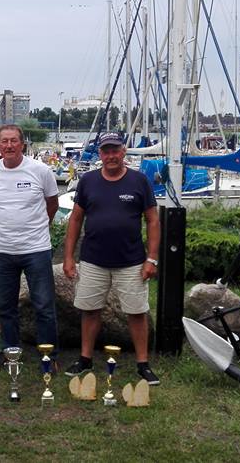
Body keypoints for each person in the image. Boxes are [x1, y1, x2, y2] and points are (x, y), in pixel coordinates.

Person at [62, 132, 161, 385]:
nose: (111, 156)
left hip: (131, 261)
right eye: (106, 151)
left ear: (123, 151)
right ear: (100, 154)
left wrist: (152, 259)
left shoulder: (139, 181)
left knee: (137, 312)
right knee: (90, 311)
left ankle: (143, 364)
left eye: (115, 150)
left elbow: (152, 220)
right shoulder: (88, 181)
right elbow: (75, 219)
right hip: (93, 260)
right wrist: (68, 257)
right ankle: (85, 359)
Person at [0, 124, 60, 371]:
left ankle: (48, 355)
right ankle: (9, 351)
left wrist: (36, 227)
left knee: (44, 305)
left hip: (36, 249)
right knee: (5, 306)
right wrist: (8, 227)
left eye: (14, 140)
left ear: (22, 144)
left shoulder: (40, 171)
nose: (9, 145)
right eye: (4, 141)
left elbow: (52, 204)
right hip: (3, 250)